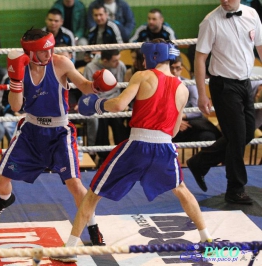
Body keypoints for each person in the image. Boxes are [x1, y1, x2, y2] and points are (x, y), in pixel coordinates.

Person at [51, 39, 213, 263]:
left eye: (144, 57)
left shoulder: (142, 76)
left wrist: (97, 105)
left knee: (92, 195)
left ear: (153, 56)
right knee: (181, 189)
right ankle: (207, 239)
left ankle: (70, 249)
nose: (143, 61)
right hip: (165, 146)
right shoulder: (183, 88)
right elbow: (175, 129)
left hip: (138, 145)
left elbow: (118, 105)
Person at [0, 28, 118, 246]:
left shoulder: (60, 63)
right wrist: (16, 80)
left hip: (59, 133)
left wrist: (96, 86)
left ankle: (93, 226)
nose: (49, 54)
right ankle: (6, 200)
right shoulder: (21, 68)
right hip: (30, 132)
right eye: (44, 51)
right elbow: (16, 106)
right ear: (31, 52)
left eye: (50, 49)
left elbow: (83, 85)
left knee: (75, 184)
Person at [186, 0, 262, 205]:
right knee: (236, 137)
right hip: (223, 87)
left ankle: (200, 162)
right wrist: (202, 94)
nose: (225, 1)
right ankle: (235, 189)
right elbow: (200, 59)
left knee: (246, 133)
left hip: (245, 84)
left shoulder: (252, 14)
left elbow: (260, 47)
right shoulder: (210, 21)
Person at [83, 49, 128, 166]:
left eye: (118, 59)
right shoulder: (90, 68)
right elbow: (87, 91)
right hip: (98, 102)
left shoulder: (121, 66)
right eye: (114, 61)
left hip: (116, 102)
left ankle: (122, 154)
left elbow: (124, 88)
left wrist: (123, 102)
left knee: (120, 119)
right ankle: (104, 156)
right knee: (100, 119)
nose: (118, 63)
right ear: (104, 61)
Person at [170, 56, 221, 143]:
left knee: (209, 136)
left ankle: (203, 157)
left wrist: (178, 118)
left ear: (181, 68)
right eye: (171, 68)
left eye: (177, 68)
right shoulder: (161, 85)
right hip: (169, 124)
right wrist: (174, 121)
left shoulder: (190, 84)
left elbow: (197, 110)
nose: (174, 71)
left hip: (189, 123)